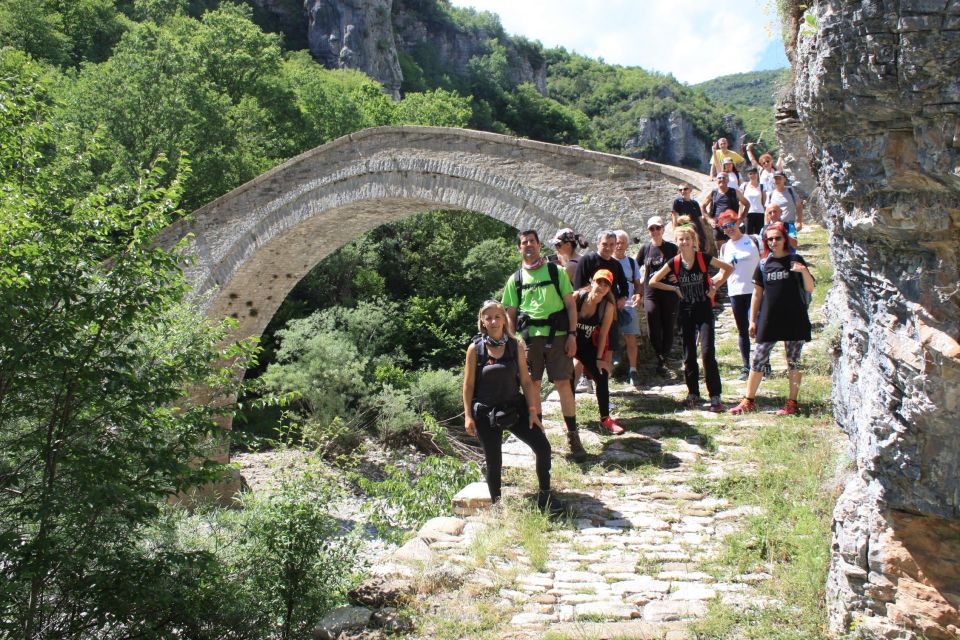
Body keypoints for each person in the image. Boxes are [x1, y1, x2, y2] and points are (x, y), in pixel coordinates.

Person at [463, 300, 559, 512]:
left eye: (498, 316)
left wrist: (533, 411)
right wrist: (468, 416)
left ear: (504, 319)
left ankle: (545, 495)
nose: (494, 321)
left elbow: (526, 381)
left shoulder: (515, 345)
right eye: (488, 318)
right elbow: (468, 385)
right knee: (494, 461)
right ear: (482, 321)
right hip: (486, 413)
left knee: (543, 447)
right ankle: (497, 506)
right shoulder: (475, 349)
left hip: (514, 408)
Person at [502, 230, 586, 461]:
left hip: (558, 336)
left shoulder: (556, 272)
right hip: (529, 339)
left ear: (539, 245)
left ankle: (572, 435)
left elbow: (570, 306)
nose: (528, 245)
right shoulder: (515, 279)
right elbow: (510, 314)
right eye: (523, 243)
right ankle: (541, 440)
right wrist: (512, 341)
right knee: (533, 386)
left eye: (532, 241)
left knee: (563, 384)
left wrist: (572, 335)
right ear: (519, 248)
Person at [729, 222, 815, 416]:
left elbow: (809, 288)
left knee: (794, 360)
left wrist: (803, 271)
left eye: (778, 238)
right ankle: (748, 400)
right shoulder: (764, 264)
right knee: (759, 357)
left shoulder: (795, 259)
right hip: (769, 318)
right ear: (766, 242)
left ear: (784, 239)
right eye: (770, 239)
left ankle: (792, 403)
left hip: (794, 317)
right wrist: (752, 320)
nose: (774, 242)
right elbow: (757, 294)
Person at [648, 225, 733, 412]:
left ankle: (715, 396)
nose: (684, 242)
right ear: (677, 242)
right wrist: (674, 288)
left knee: (708, 352)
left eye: (687, 239)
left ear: (693, 241)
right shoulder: (675, 262)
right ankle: (693, 393)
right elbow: (653, 281)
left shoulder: (703, 258)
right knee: (689, 354)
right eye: (681, 239)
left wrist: (715, 287)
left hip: (704, 310)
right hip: (685, 311)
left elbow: (728, 268)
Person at [574, 269, 624, 434]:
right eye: (599, 282)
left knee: (601, 376)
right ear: (592, 282)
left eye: (606, 284)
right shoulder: (577, 297)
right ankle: (570, 416)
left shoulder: (607, 307)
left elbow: (603, 334)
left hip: (587, 346)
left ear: (609, 289)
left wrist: (599, 358)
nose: (601, 286)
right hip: (569, 342)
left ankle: (605, 419)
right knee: (568, 376)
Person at [574, 230, 629, 369]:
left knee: (609, 344)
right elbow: (578, 285)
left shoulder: (616, 264)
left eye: (612, 244)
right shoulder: (587, 260)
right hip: (589, 310)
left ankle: (603, 376)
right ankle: (584, 378)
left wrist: (623, 298)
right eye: (605, 244)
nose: (608, 248)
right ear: (598, 244)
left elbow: (623, 285)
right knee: (585, 346)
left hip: (609, 310)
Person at [717, 210, 761, 380]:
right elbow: (722, 272)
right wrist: (709, 284)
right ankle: (745, 366)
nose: (729, 229)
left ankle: (762, 363)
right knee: (742, 330)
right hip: (735, 292)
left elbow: (764, 262)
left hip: (755, 291)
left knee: (756, 327)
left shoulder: (753, 240)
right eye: (725, 227)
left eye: (731, 224)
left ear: (738, 223)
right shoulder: (725, 247)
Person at [637, 215, 679, 376]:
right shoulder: (645, 249)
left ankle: (663, 359)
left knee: (668, 325)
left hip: (669, 292)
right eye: (652, 229)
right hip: (651, 293)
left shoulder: (672, 248)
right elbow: (636, 268)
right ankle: (659, 354)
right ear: (649, 231)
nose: (655, 231)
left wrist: (679, 277)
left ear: (662, 229)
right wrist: (637, 291)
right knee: (652, 325)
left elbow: (681, 265)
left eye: (658, 228)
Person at [613, 230, 644, 386]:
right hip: (610, 306)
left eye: (622, 243)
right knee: (607, 338)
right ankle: (607, 371)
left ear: (627, 245)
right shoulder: (606, 261)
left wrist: (638, 295)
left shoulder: (631, 262)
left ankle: (633, 370)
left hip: (628, 305)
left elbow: (638, 285)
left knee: (630, 337)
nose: (619, 246)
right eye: (616, 242)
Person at [701, 173, 749, 252]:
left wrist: (740, 219)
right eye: (719, 178)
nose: (721, 179)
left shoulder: (734, 192)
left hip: (732, 226)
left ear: (728, 180)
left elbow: (747, 204)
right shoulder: (714, 193)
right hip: (718, 226)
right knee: (720, 251)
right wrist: (709, 219)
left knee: (735, 249)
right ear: (716, 180)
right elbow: (702, 206)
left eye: (724, 178)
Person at [671, 183, 709, 254]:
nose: (683, 191)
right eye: (680, 190)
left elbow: (701, 221)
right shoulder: (677, 202)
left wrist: (707, 239)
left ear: (690, 190)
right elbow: (674, 220)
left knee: (702, 258)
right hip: (688, 237)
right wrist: (675, 236)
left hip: (699, 235)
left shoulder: (695, 203)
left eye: (685, 189)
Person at [740, 167, 766, 235]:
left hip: (760, 213)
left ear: (757, 174)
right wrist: (740, 216)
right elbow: (741, 202)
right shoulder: (744, 186)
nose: (753, 175)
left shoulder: (762, 186)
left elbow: (764, 202)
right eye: (750, 174)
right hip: (747, 214)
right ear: (748, 175)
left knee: (760, 236)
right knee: (748, 235)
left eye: (754, 173)